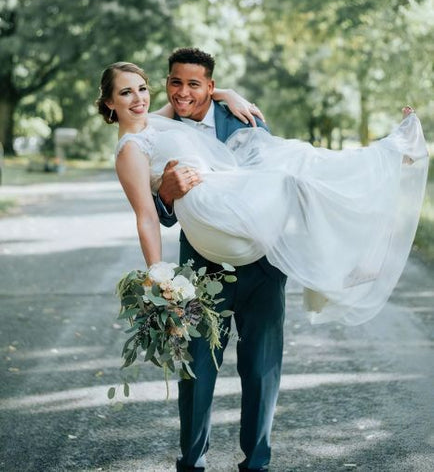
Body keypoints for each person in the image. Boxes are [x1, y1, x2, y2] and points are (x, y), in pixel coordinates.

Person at [97, 55, 428, 472]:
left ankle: (257, 464)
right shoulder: (144, 135)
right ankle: (193, 462)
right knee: (198, 370)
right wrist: (162, 241)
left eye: (194, 85)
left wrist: (227, 94)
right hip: (202, 261)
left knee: (262, 367)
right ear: (111, 102)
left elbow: (262, 158)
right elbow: (151, 214)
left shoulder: (236, 115)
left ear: (209, 85)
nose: (181, 93)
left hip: (263, 260)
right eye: (128, 92)